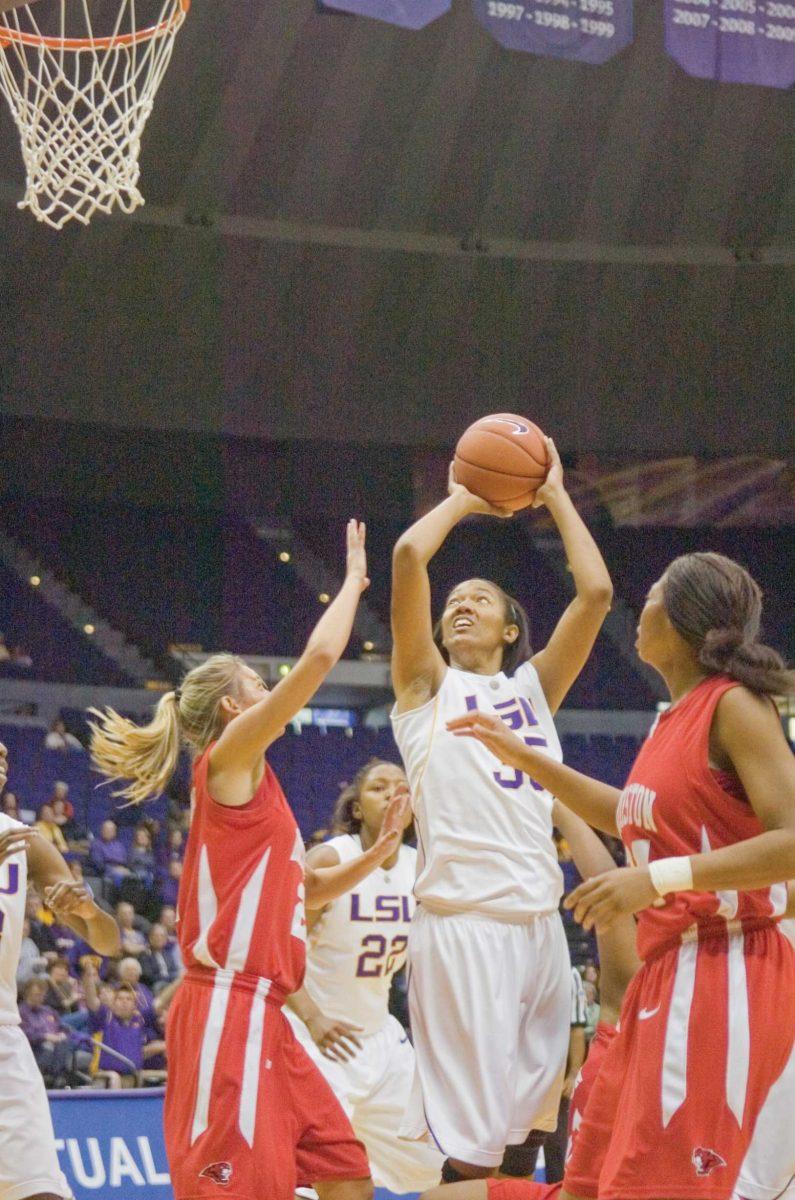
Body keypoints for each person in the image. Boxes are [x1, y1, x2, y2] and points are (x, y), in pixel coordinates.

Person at [446, 551, 795, 1200]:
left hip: (727, 969)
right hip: (665, 974)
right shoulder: (673, 719)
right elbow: (629, 815)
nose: (644, 604)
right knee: (592, 1182)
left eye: (657, 591)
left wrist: (658, 878)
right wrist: (523, 757)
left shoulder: (734, 706)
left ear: (687, 616)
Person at [90, 521, 410, 1200]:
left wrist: (379, 852)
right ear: (235, 708)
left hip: (271, 1012)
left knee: (345, 1169)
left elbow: (310, 889)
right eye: (259, 686)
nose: (272, 692)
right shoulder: (226, 764)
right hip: (223, 1009)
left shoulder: (263, 789)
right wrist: (352, 581)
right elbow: (319, 661)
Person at [390, 442, 613, 1183]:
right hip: (462, 926)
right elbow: (407, 559)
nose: (460, 603)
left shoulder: (532, 691)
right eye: (454, 600)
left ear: (510, 630)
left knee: (529, 1128)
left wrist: (553, 495)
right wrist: (462, 498)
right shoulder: (425, 688)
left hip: (538, 929)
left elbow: (595, 596)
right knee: (469, 1145)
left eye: (478, 599)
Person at [286, 759, 443, 1196]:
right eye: (378, 788)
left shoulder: (423, 865)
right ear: (356, 808)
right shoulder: (332, 857)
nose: (394, 794)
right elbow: (275, 948)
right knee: (325, 1183)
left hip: (380, 1040)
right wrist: (313, 1018)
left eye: (401, 787)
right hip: (315, 1038)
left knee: (441, 1167)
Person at [0, 738, 120, 1200]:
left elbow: (106, 943)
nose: (5, 747)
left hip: (4, 1034)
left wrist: (90, 914)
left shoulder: (24, 842)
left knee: (42, 1192)